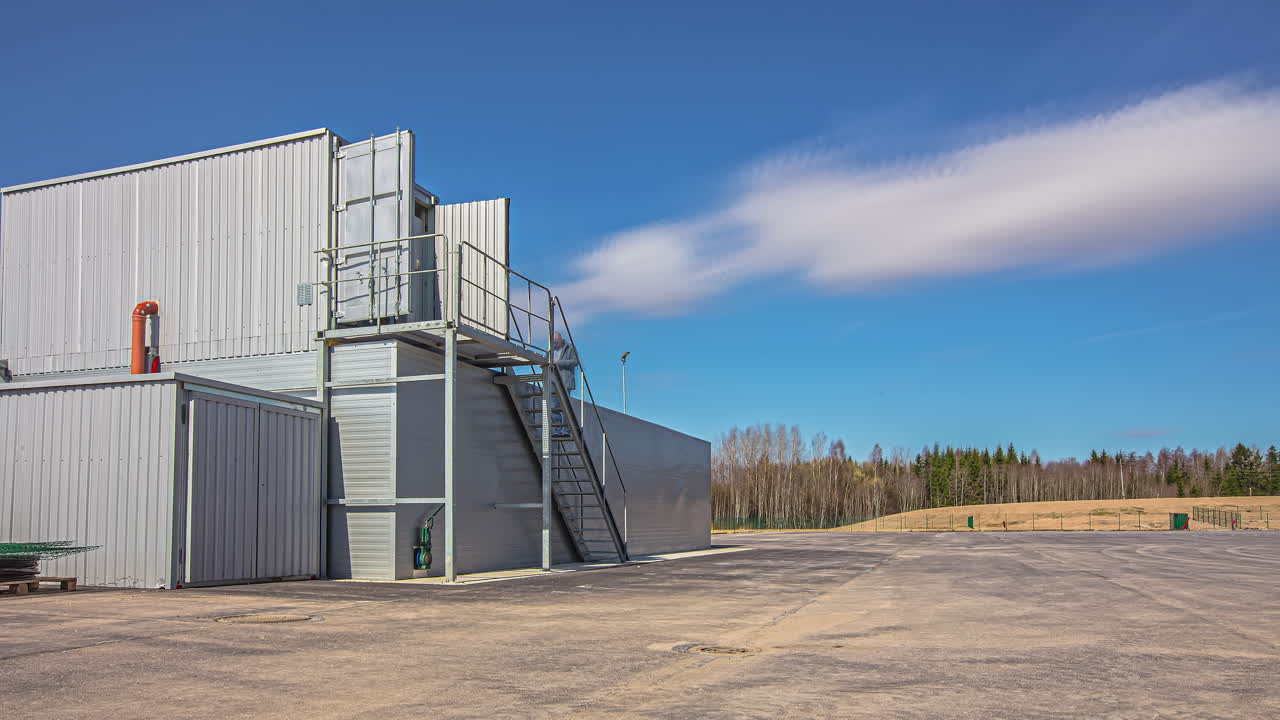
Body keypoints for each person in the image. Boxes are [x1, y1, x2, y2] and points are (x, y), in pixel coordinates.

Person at [549, 332, 578, 437]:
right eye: (553, 342)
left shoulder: (570, 348)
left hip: (565, 381)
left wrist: (559, 362)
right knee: (553, 406)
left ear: (561, 339)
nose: (555, 344)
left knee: (565, 405)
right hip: (553, 380)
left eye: (556, 342)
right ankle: (557, 429)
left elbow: (575, 362)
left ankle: (565, 430)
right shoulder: (550, 349)